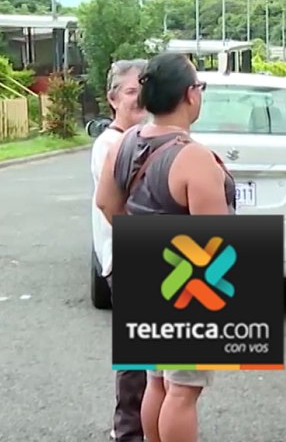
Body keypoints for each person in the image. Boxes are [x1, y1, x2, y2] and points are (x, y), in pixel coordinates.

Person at [94, 53, 235, 442]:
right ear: (191, 94)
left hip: (143, 274)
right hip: (186, 285)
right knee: (183, 390)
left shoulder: (123, 143)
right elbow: (215, 242)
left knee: (156, 380)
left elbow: (106, 203)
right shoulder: (193, 157)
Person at [90, 59, 148, 442]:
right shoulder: (111, 144)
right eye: (130, 92)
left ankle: (145, 426)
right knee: (138, 353)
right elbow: (114, 205)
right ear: (113, 99)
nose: (138, 99)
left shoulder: (141, 138)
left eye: (144, 91)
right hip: (128, 258)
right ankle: (128, 430)